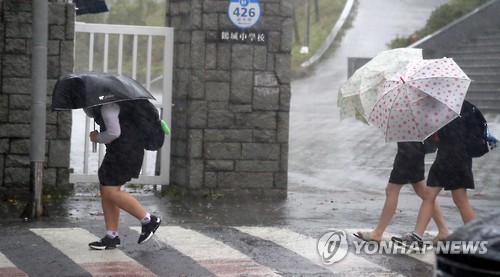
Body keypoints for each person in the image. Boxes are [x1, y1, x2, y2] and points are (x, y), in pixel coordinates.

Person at [392, 104, 475, 248]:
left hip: (450, 158)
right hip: (457, 158)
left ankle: (477, 238)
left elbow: (437, 137)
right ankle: (417, 237)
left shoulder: (444, 110)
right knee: (436, 197)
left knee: (455, 199)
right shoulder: (464, 108)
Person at [84, 102, 161, 250]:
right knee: (106, 189)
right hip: (123, 151)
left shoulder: (108, 106)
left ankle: (148, 220)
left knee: (110, 191)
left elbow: (114, 133)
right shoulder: (108, 104)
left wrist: (97, 137)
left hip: (125, 152)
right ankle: (111, 236)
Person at [354, 142, 450, 243]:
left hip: (408, 152)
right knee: (425, 193)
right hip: (413, 150)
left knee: (392, 190)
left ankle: (378, 233)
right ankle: (443, 230)